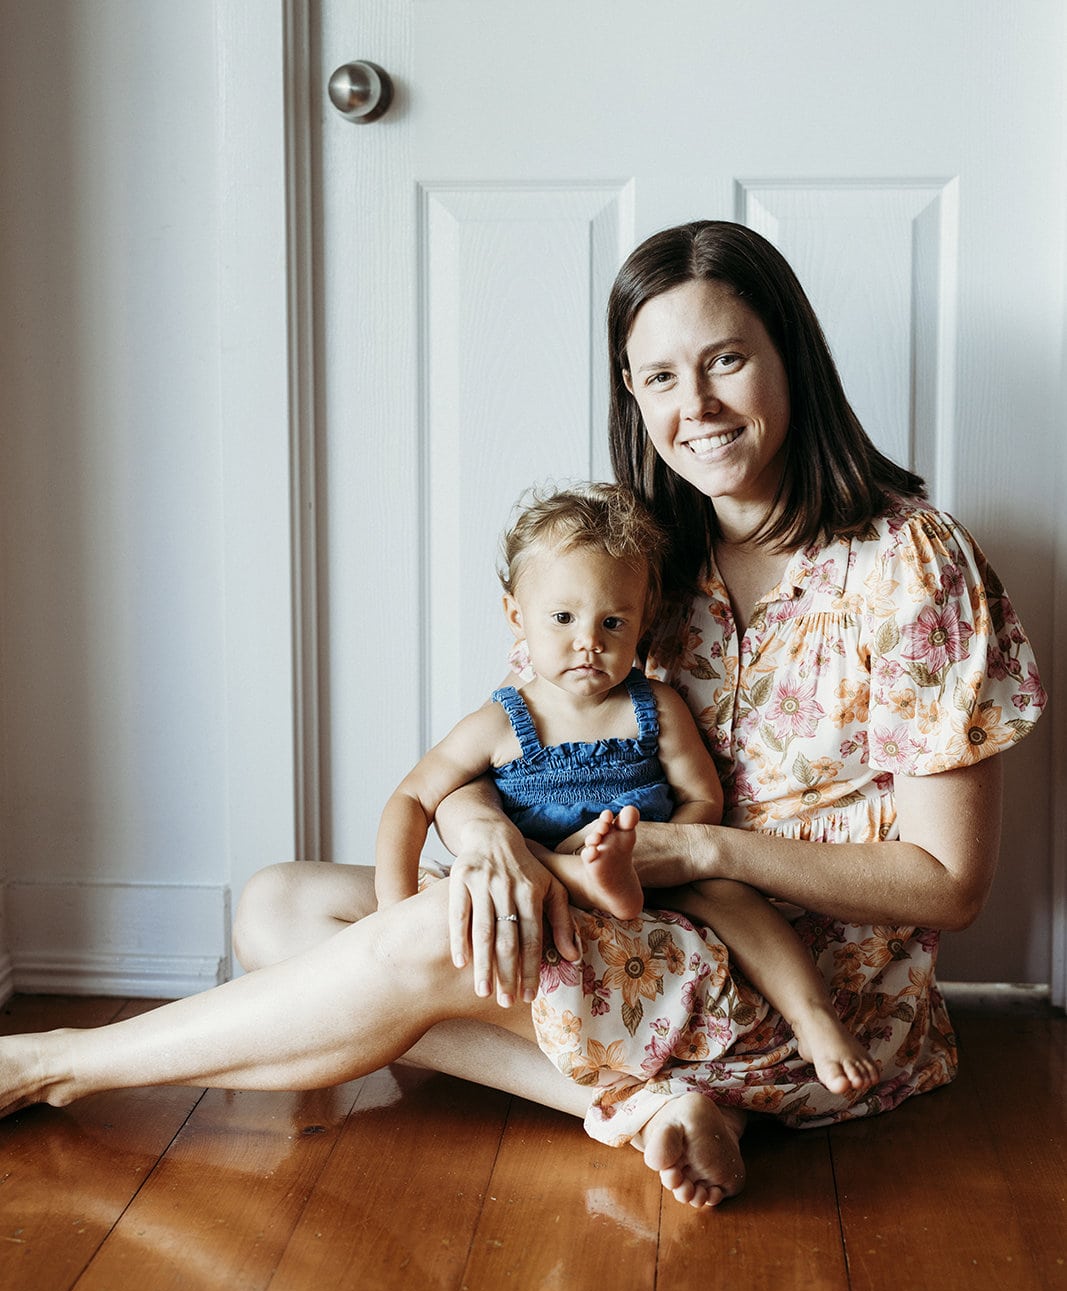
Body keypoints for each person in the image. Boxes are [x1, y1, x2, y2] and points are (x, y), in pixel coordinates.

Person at [0, 222, 1046, 1213]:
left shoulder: (911, 564)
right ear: (630, 393)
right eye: (661, 377)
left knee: (421, 938)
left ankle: (52, 1063)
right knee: (279, 905)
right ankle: (648, 1106)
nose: (699, 406)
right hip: (622, 924)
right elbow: (497, 740)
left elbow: (946, 884)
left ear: (792, 361)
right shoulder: (643, 559)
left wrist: (690, 847)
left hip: (811, 1002)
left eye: (726, 360)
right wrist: (485, 831)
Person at [375, 481, 879, 1100]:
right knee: (520, 860)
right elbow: (412, 799)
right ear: (516, 616)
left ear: (644, 621)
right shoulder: (503, 720)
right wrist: (390, 914)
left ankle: (814, 1018)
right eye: (562, 619)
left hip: (657, 869)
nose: (589, 641)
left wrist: (661, 844)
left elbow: (703, 801)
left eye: (613, 622)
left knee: (732, 893)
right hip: (549, 872)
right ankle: (592, 881)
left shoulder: (654, 707)